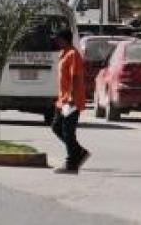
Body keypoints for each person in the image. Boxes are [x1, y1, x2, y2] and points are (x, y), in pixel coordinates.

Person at [51, 28, 90, 174]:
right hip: (62, 100)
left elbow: (75, 77)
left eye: (58, 38)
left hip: (71, 100)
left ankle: (71, 163)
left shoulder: (73, 54)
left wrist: (72, 97)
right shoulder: (63, 53)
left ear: (65, 39)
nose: (56, 41)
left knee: (68, 131)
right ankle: (78, 152)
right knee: (56, 127)